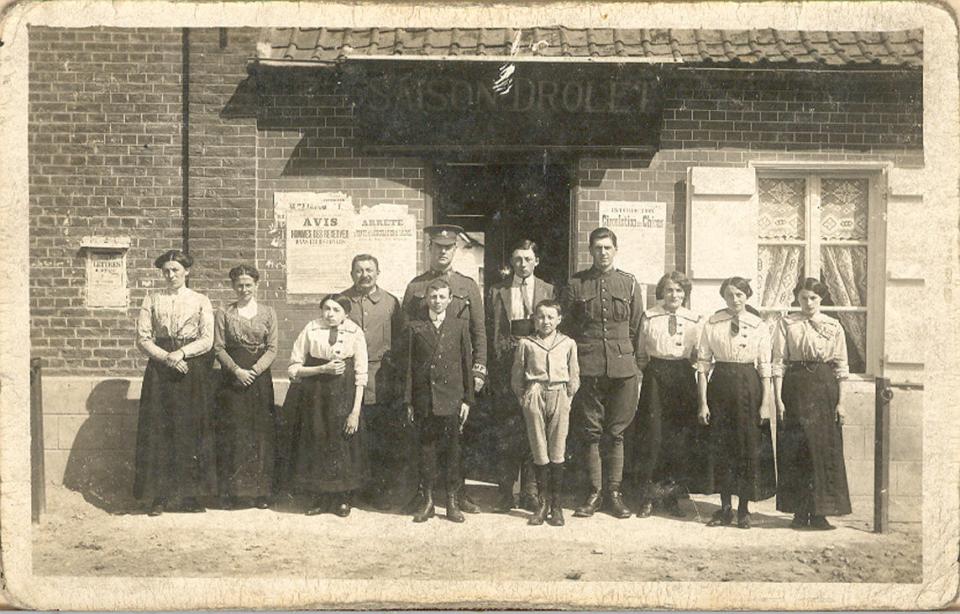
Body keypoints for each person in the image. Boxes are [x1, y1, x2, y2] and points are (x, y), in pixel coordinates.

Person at [401, 224, 486, 513]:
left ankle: (456, 496)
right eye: (437, 247)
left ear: (455, 251)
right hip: (426, 381)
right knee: (425, 442)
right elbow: (409, 337)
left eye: (448, 248)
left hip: (455, 379)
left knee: (455, 442)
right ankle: (424, 496)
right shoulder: (415, 287)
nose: (442, 252)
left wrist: (478, 370)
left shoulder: (467, 286)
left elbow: (479, 332)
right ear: (430, 250)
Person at [561, 227, 643, 519]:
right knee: (591, 432)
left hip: (623, 369)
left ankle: (615, 493)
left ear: (615, 250)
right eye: (597, 248)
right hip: (589, 366)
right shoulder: (576, 284)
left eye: (608, 247)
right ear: (590, 251)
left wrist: (626, 358)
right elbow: (569, 327)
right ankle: (594, 493)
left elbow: (635, 327)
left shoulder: (630, 283)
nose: (603, 253)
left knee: (617, 432)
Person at [133, 250, 216, 516]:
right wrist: (167, 357)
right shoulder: (152, 299)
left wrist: (181, 353)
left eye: (175, 270)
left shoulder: (201, 300)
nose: (170, 275)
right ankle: (159, 496)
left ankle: (190, 495)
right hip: (161, 370)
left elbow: (207, 339)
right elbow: (143, 338)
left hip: (191, 368)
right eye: (166, 271)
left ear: (186, 272)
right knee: (159, 429)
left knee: (190, 428)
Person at [696, 277, 776, 529]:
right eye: (730, 294)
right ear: (724, 296)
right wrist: (703, 403)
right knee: (722, 446)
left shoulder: (759, 325)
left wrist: (765, 403)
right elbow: (703, 365)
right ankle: (725, 508)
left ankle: (744, 509)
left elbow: (765, 367)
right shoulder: (712, 323)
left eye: (740, 294)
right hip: (720, 386)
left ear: (747, 296)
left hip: (748, 386)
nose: (735, 299)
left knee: (746, 447)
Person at [773, 278, 852, 530]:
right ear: (797, 298)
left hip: (824, 386)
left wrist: (841, 402)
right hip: (795, 387)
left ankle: (820, 513)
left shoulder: (833, 326)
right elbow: (778, 362)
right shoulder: (787, 323)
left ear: (821, 300)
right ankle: (799, 512)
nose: (808, 303)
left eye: (814, 298)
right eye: (804, 298)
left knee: (822, 450)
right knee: (796, 449)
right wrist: (778, 400)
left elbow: (841, 366)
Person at [279, 294, 368, 517]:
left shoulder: (355, 332)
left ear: (346, 313)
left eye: (336, 310)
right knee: (316, 440)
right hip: (315, 394)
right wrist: (321, 370)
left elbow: (361, 374)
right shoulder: (311, 329)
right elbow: (294, 367)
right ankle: (318, 497)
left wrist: (355, 411)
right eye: (326, 309)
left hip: (344, 393)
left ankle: (341, 499)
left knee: (341, 442)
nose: (330, 314)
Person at [488, 239, 556, 513]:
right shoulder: (497, 290)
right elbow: (491, 328)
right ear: (511, 262)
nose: (523, 264)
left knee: (534, 426)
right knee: (507, 428)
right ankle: (505, 491)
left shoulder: (548, 289)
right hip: (507, 363)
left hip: (537, 365)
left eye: (528, 259)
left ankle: (530, 491)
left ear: (536, 261)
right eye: (517, 259)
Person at [341, 254, 410, 509]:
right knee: (351, 436)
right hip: (349, 379)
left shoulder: (391, 303)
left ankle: (379, 492)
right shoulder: (342, 301)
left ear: (378, 273)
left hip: (382, 379)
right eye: (359, 270)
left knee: (381, 437)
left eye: (369, 270)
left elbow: (401, 341)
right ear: (351, 274)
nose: (364, 275)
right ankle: (350, 492)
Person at [403, 278, 475, 523]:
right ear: (426, 299)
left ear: (450, 299)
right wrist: (409, 401)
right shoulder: (415, 326)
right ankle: (428, 501)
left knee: (453, 451)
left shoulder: (458, 326)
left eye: (442, 297)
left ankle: (453, 503)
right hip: (425, 399)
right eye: (433, 297)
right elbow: (409, 368)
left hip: (452, 399)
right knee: (426, 451)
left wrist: (467, 399)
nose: (437, 301)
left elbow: (466, 364)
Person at [633, 271, 704, 518]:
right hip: (655, 376)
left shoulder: (694, 319)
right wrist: (652, 374)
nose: (674, 295)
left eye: (679, 291)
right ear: (661, 292)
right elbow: (641, 353)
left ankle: (671, 497)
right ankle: (648, 498)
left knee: (677, 437)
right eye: (669, 290)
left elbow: (698, 355)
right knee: (652, 436)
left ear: (685, 294)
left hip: (683, 377)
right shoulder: (650, 316)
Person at [213, 264, 278, 510]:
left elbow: (272, 348)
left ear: (256, 285)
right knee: (234, 432)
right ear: (233, 286)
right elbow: (218, 347)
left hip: (259, 378)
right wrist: (238, 371)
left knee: (260, 432)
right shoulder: (224, 312)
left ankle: (261, 492)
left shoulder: (268, 312)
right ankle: (233, 492)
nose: (244, 289)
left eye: (248, 285)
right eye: (239, 285)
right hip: (233, 379)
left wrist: (255, 371)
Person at [511, 299, 579, 526]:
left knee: (557, 449)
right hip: (535, 393)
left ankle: (557, 506)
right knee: (539, 450)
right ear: (534, 319)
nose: (546, 321)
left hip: (559, 393)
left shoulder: (568, 343)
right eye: (541, 317)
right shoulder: (527, 344)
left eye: (551, 317)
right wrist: (525, 398)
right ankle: (542, 504)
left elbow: (574, 375)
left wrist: (567, 398)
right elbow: (517, 376)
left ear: (559, 320)